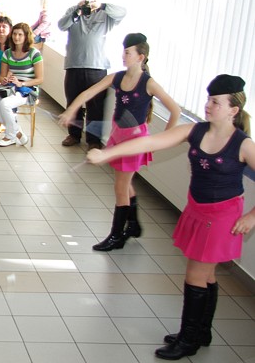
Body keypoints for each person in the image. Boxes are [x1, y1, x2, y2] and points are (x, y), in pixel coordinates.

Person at [87, 74, 255, 361]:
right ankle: (201, 331)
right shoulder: (195, 131)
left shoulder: (244, 144)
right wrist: (107, 154)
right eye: (208, 100)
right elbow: (150, 142)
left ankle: (188, 340)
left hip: (222, 216)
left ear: (233, 110)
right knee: (207, 274)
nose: (208, 105)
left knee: (195, 275)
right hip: (197, 208)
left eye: (216, 102)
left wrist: (252, 216)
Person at [60, 34, 181, 251]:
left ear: (140, 57)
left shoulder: (148, 83)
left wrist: (163, 140)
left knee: (120, 187)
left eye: (128, 52)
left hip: (135, 140)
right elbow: (88, 92)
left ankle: (116, 236)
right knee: (124, 183)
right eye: (123, 51)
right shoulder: (117, 77)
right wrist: (71, 110)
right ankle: (133, 224)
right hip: (118, 135)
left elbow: (175, 110)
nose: (123, 56)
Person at [57, 0, 127, 148]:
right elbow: (61, 25)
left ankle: (94, 141)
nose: (89, 0)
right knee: (73, 102)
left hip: (97, 68)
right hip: (74, 66)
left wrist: (101, 5)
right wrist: (77, 11)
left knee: (95, 107)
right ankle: (73, 135)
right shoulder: (74, 10)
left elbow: (122, 12)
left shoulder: (105, 14)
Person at [0, 22, 43, 147]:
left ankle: (10, 136)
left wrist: (21, 83)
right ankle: (17, 131)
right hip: (11, 88)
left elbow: (40, 79)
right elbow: (2, 76)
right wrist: (4, 80)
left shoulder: (34, 53)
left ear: (26, 36)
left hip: (28, 90)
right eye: (14, 34)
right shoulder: (7, 53)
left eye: (20, 34)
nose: (16, 37)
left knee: (5, 103)